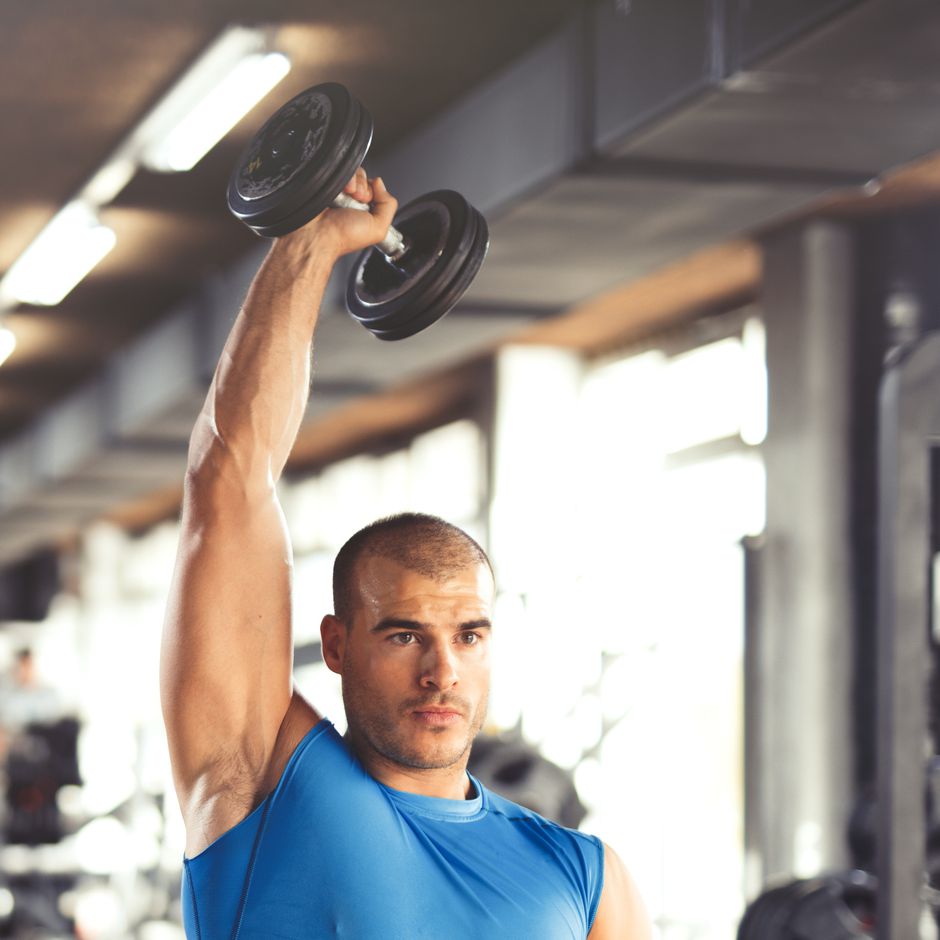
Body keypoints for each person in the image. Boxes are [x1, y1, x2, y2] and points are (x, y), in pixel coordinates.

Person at [160, 169, 652, 938]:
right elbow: (227, 483)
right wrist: (312, 244)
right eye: (403, 634)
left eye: (468, 635)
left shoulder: (583, 873)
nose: (442, 670)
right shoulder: (261, 784)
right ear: (337, 644)